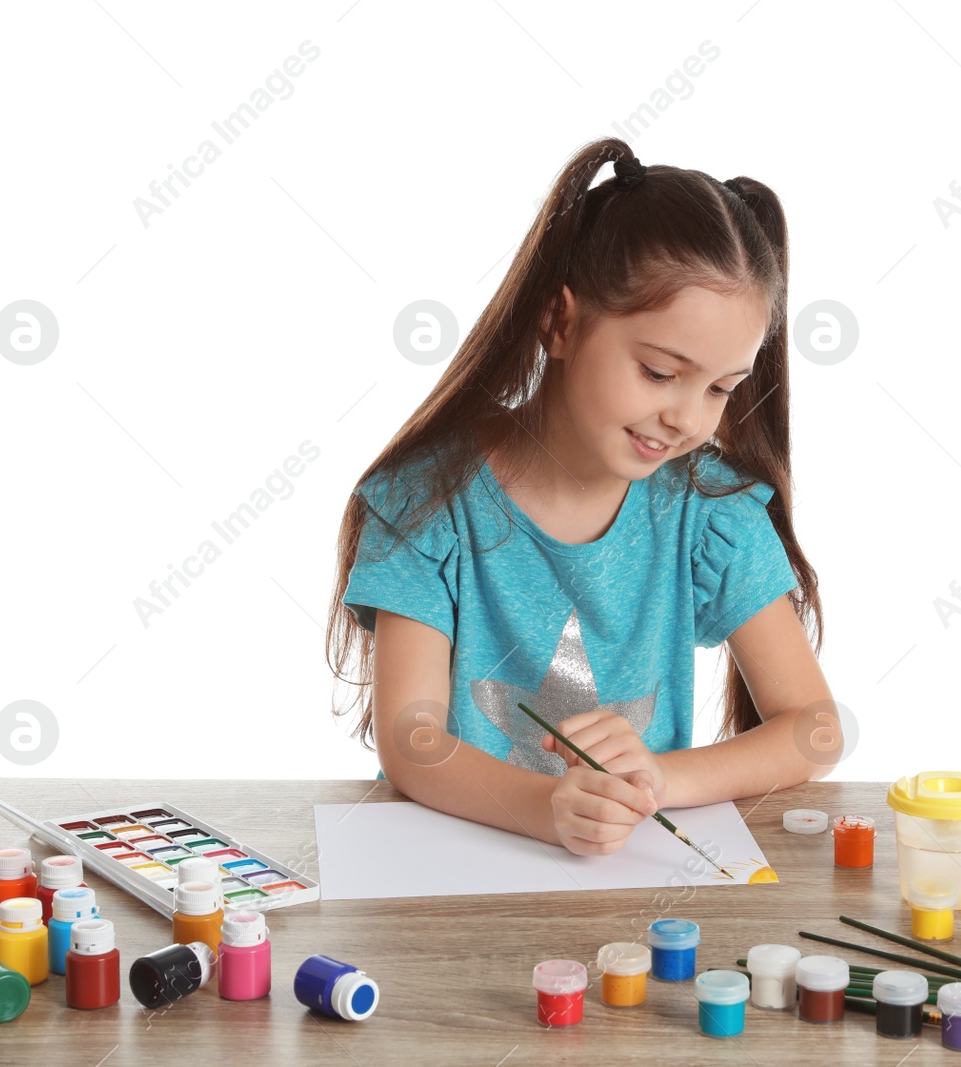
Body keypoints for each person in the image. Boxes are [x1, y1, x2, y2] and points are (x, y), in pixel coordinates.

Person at [325, 136, 840, 857]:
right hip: (447, 883)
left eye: (721, 388)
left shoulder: (709, 512)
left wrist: (657, 777)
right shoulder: (430, 503)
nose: (688, 418)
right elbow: (413, 740)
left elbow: (814, 728)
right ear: (561, 322)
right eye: (661, 372)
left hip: (624, 897)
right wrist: (545, 808)